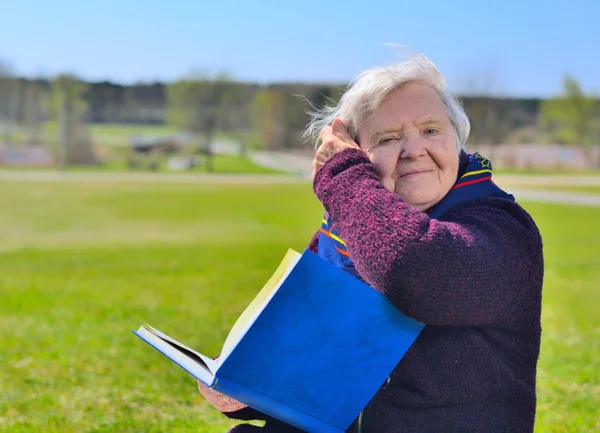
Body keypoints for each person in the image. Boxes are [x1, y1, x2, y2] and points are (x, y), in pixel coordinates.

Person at [198, 52, 544, 433]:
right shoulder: (347, 233)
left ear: (457, 142)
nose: (414, 150)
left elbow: (414, 272)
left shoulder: (503, 229)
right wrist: (242, 392)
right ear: (361, 154)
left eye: (431, 130)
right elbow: (302, 362)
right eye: (388, 138)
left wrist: (344, 180)